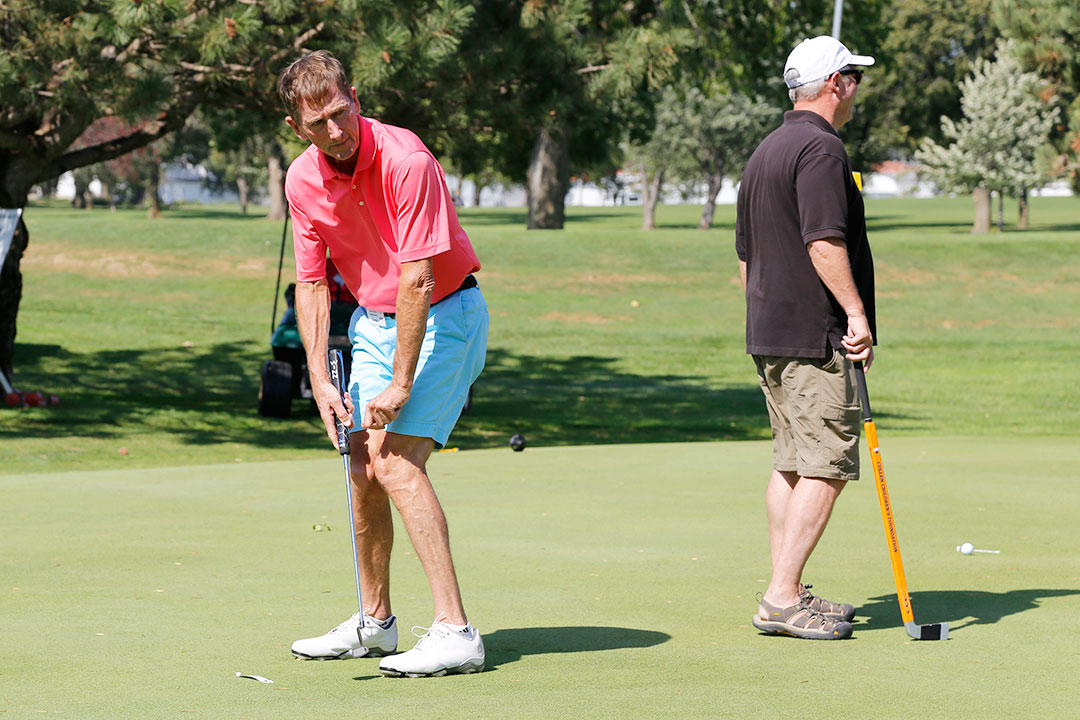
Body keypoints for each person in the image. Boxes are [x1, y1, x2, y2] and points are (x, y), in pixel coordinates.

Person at [277, 50, 489, 676]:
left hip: (445, 314)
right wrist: (319, 382)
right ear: (297, 128)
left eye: (341, 113)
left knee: (394, 459)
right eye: (317, 124)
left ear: (355, 98)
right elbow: (312, 284)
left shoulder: (405, 158)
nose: (334, 132)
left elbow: (419, 277)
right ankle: (375, 624)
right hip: (371, 323)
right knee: (361, 463)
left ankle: (456, 630)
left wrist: (400, 382)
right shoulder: (301, 180)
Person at [734, 36, 877, 640]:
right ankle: (781, 597)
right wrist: (856, 315)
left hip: (770, 331)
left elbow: (745, 256)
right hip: (815, 335)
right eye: (855, 78)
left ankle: (784, 588)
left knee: (792, 464)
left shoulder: (766, 149)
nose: (857, 90)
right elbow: (824, 240)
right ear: (837, 82)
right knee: (828, 464)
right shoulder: (820, 149)